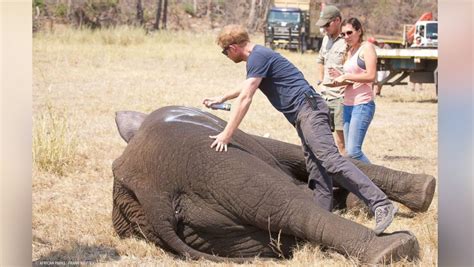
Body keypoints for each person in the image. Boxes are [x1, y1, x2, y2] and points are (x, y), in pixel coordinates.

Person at [202, 24, 397, 235]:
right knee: (317, 170)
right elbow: (248, 85)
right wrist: (222, 98)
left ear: (232, 48)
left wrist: (226, 134)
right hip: (304, 114)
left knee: (330, 160)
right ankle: (322, 223)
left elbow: (246, 97)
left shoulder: (257, 57)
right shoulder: (258, 57)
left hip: (309, 110)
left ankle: (381, 204)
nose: (226, 56)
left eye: (224, 52)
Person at [329, 18, 377, 164]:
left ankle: (378, 181)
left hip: (362, 104)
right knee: (349, 153)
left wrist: (347, 76)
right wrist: (338, 80)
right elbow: (354, 80)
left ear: (359, 31)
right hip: (348, 104)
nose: (346, 37)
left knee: (354, 152)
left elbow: (371, 76)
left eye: (349, 32)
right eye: (343, 34)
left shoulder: (367, 48)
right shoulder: (350, 51)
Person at [315, 5, 347, 155]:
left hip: (341, 97)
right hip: (326, 96)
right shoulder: (325, 40)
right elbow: (320, 60)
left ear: (337, 21)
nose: (325, 28)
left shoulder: (347, 40)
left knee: (342, 143)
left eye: (327, 24)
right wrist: (321, 80)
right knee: (326, 140)